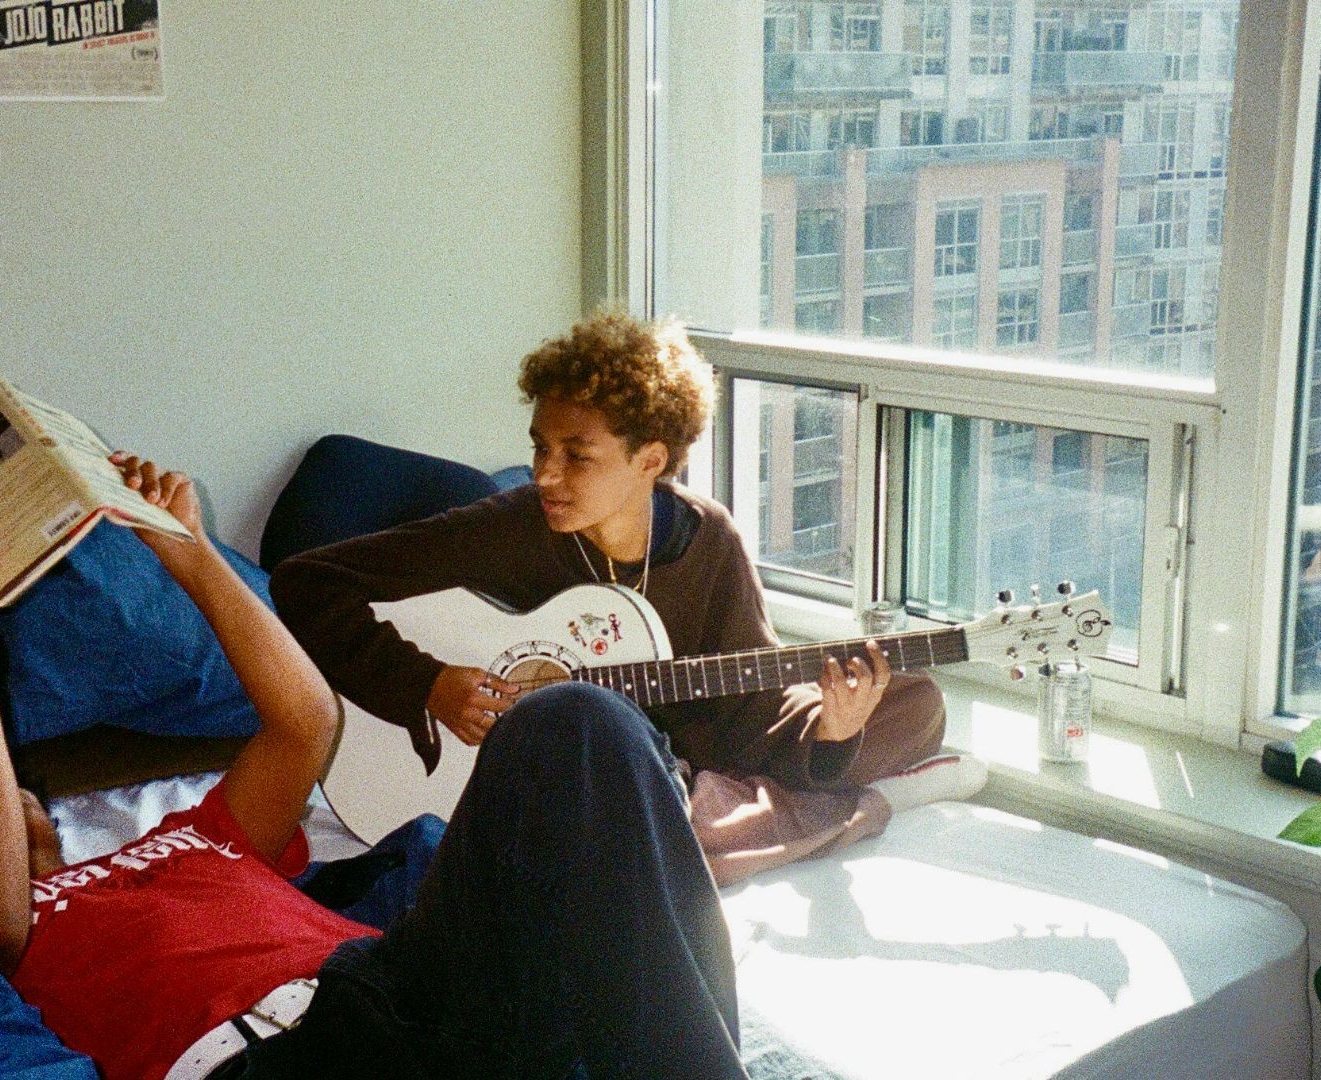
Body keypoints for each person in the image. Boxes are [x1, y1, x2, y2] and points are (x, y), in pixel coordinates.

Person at [0, 453, 748, 1080]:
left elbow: (306, 722)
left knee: (577, 719)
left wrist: (187, 550)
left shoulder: (187, 840)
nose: (5, 797)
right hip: (282, 1064)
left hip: (406, 989)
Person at [271, 313, 947, 880]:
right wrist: (429, 684)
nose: (544, 474)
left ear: (650, 459)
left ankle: (728, 800)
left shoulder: (707, 539)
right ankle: (756, 810)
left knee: (917, 704)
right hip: (582, 773)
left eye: (576, 454)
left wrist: (834, 730)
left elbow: (749, 701)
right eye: (539, 447)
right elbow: (306, 581)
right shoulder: (512, 527)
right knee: (635, 819)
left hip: (687, 749)